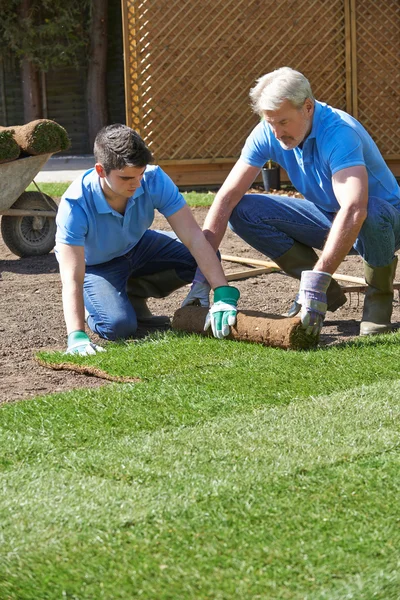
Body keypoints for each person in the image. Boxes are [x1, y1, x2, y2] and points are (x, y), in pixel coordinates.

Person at [183, 67, 400, 336]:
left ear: (307, 107)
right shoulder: (268, 130)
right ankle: (327, 292)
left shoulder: (339, 133)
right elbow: (226, 198)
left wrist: (315, 283)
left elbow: (355, 209)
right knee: (244, 210)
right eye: (270, 122)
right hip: (329, 214)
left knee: (372, 210)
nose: (275, 132)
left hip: (385, 223)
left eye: (283, 122)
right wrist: (204, 278)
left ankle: (377, 300)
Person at [55, 124, 240, 355]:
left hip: (139, 246)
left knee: (208, 253)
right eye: (126, 178)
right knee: (118, 327)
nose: (136, 183)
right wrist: (76, 335)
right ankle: (91, 308)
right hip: (96, 265)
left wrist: (220, 290)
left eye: (140, 174)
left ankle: (130, 290)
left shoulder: (153, 179)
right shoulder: (75, 204)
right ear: (101, 170)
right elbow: (72, 278)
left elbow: (194, 237)